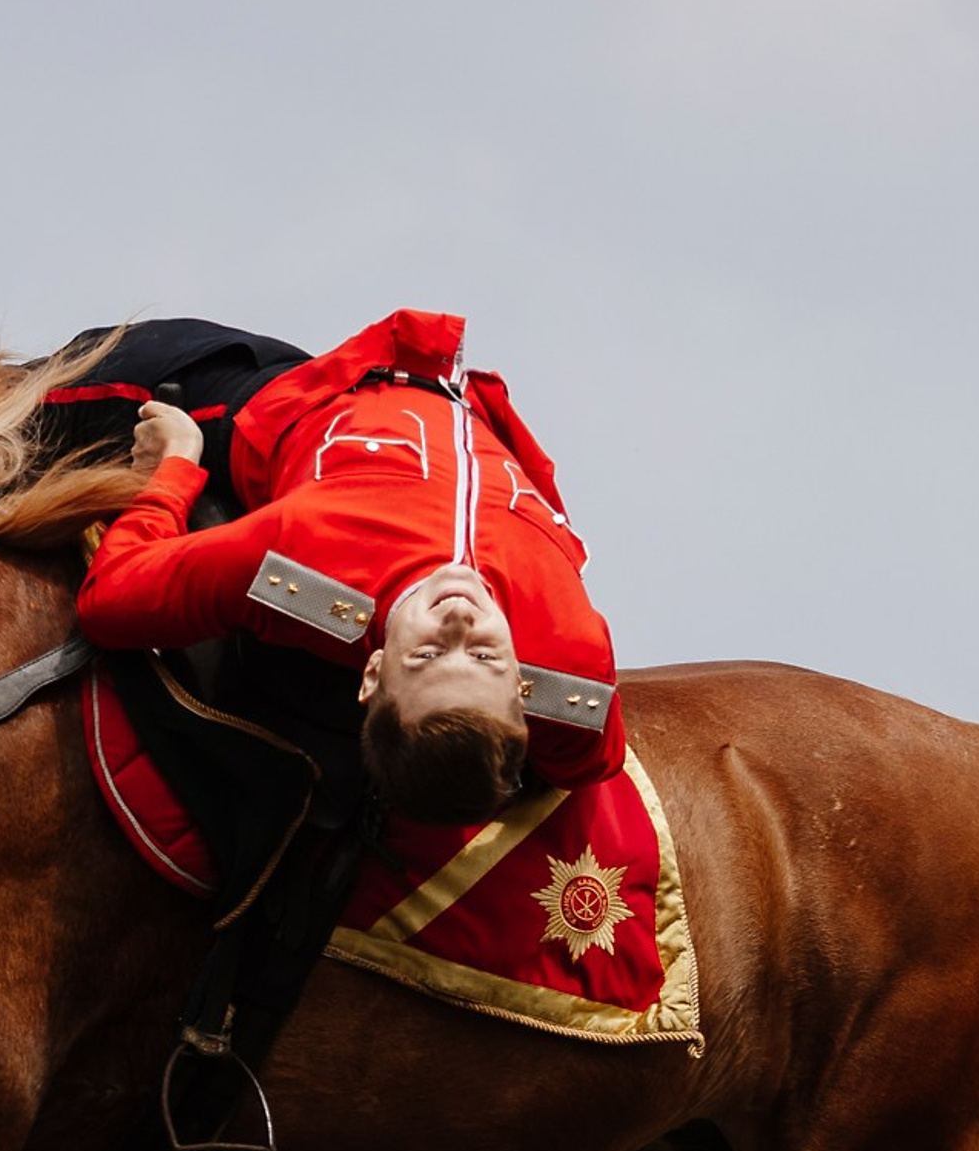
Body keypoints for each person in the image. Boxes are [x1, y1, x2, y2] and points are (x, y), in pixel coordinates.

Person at [76, 309, 623, 825]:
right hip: (462, 400)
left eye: (427, 653)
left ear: (372, 672)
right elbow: (591, 760)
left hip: (290, 393)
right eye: (485, 656)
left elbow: (110, 600)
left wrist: (172, 465)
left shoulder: (302, 569)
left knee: (81, 376)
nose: (459, 622)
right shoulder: (574, 660)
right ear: (523, 689)